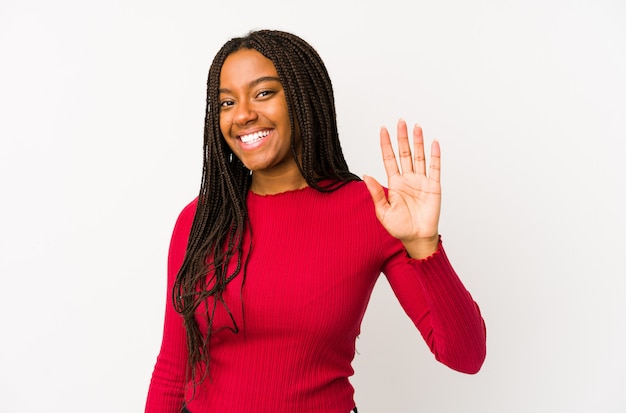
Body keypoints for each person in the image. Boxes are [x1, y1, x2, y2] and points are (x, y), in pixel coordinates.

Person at [145, 29, 486, 413]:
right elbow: (173, 371)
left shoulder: (373, 211)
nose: (242, 114)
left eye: (263, 93)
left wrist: (425, 248)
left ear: (303, 97)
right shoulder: (200, 219)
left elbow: (465, 355)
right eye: (226, 102)